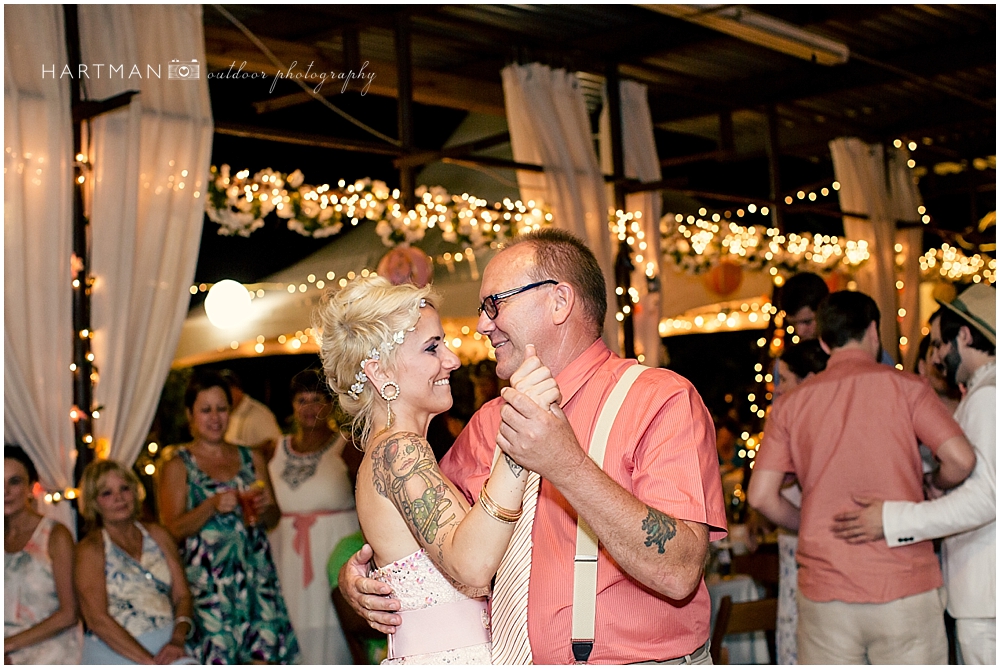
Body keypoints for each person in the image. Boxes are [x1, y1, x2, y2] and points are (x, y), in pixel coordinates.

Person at [341, 228, 727, 664]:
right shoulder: (489, 422)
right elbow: (428, 531)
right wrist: (371, 577)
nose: (483, 325)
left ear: (559, 302)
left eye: (494, 304)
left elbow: (678, 572)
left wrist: (566, 464)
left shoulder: (658, 399)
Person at [315, 275, 558, 664]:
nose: (453, 360)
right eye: (432, 348)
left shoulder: (398, 451)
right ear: (380, 373)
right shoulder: (398, 450)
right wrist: (519, 441)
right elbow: (472, 566)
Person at [748, 290, 977, 664]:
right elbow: (961, 459)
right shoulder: (908, 388)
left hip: (826, 591)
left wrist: (810, 520)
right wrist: (936, 484)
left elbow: (761, 496)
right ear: (874, 330)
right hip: (904, 585)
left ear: (823, 341)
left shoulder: (792, 404)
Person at [831, 283, 996, 664]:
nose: (937, 357)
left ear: (965, 335)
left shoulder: (988, 395)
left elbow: (988, 497)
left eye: (940, 344)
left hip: (987, 592)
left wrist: (891, 518)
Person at [157, 370, 299, 664]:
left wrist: (263, 510)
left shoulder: (251, 457)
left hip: (257, 583)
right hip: (209, 592)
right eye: (205, 409)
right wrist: (210, 505)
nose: (215, 417)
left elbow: (274, 517)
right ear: (190, 415)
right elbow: (170, 531)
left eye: (221, 409)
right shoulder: (178, 465)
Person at [267, 369, 360, 665]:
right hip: (286, 557)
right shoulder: (273, 450)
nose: (310, 408)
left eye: (317, 399)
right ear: (293, 406)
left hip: (334, 555)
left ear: (330, 405)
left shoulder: (348, 446)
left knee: (335, 632)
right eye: (302, 400)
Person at [74, 460, 195, 664]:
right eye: (107, 493)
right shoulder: (91, 549)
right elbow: (97, 620)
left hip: (168, 644)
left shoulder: (158, 534)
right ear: (94, 502)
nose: (119, 498)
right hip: (115, 650)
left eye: (124, 488)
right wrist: (150, 663)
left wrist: (177, 639)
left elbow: (182, 596)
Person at [766, 339, 828, 665]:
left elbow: (762, 493)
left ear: (807, 379)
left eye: (784, 380)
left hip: (803, 548)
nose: (777, 390)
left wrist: (807, 523)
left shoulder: (791, 423)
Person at [4, 446, 81, 664]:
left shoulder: (54, 535)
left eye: (14, 481)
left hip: (51, 652)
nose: (5, 491)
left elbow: (69, 613)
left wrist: (8, 645)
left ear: (31, 487)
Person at [220, 369, 282, 458]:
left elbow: (274, 445)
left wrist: (248, 454)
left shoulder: (259, 414)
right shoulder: (227, 414)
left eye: (227, 391)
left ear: (238, 389)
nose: (223, 397)